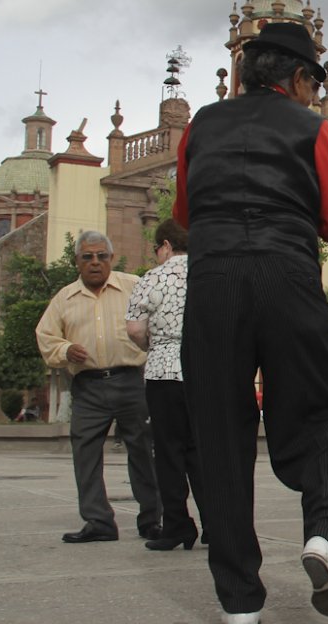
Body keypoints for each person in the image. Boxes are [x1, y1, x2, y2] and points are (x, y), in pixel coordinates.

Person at [171, 23, 328, 623]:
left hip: (215, 280)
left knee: (219, 435)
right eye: (312, 84)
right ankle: (322, 533)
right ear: (300, 78)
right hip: (287, 276)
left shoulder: (200, 125)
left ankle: (240, 605)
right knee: (325, 412)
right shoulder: (312, 128)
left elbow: (184, 213)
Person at [36, 230, 162, 547]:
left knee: (143, 452)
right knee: (86, 453)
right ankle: (98, 520)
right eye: (87, 257)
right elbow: (46, 336)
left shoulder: (134, 286)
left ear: (111, 258)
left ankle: (152, 519)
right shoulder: (64, 299)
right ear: (76, 261)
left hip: (132, 380)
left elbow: (163, 320)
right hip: (88, 386)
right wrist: (65, 350)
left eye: (101, 256)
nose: (95, 263)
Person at [126, 218, 205, 552]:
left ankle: (177, 525)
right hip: (204, 371)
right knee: (203, 452)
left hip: (163, 372)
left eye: (157, 248)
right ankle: (217, 526)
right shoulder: (208, 273)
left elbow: (134, 329)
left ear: (166, 245)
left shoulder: (152, 278)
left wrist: (154, 345)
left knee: (169, 452)